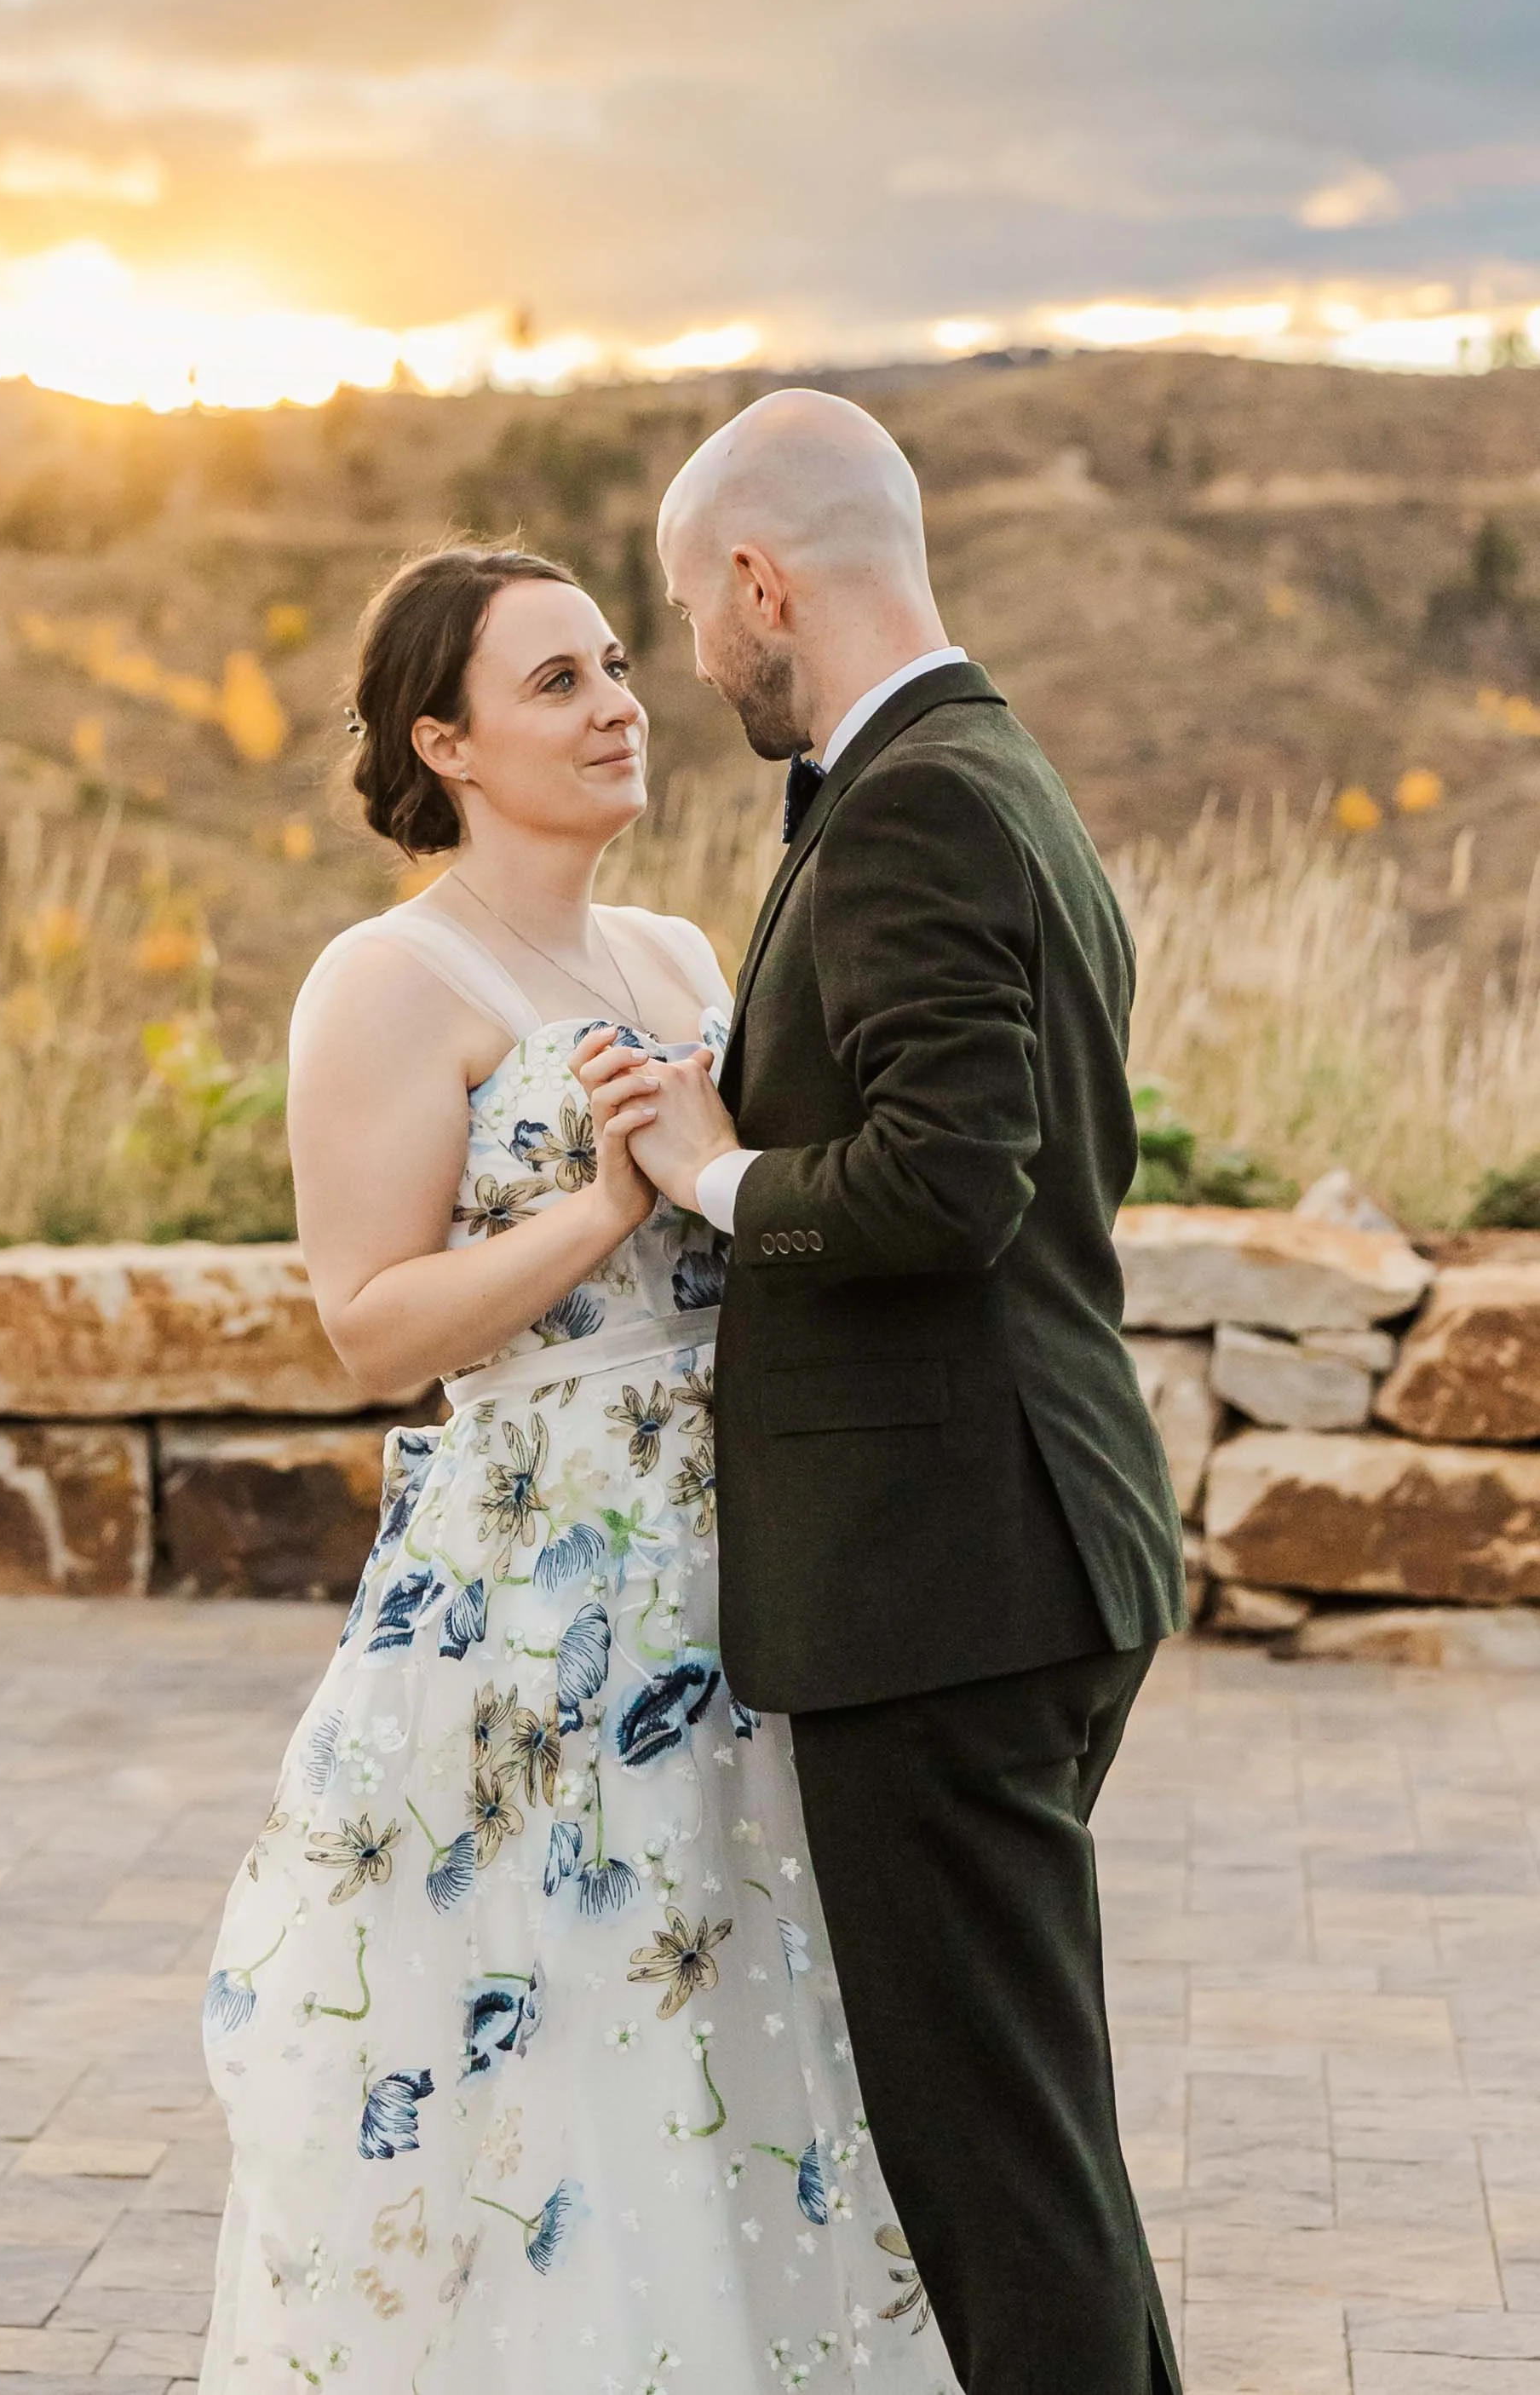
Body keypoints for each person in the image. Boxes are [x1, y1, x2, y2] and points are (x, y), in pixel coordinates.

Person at [198, 542, 960, 2394]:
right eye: (556, 680)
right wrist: (608, 1199)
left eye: (617, 661)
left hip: (742, 1578)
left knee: (739, 2017)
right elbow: (372, 1324)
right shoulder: (386, 979)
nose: (619, 702)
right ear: (441, 737)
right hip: (538, 1608)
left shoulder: (683, 953)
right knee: (562, 2035)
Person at [578, 389, 1188, 2395]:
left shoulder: (918, 797)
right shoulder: (984, 768)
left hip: (948, 1580)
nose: (691, 658)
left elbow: (953, 1174)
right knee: (1030, 2158)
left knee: (1000, 2184)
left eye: (688, 608)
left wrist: (712, 1175)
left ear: (761, 578)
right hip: (1022, 1542)